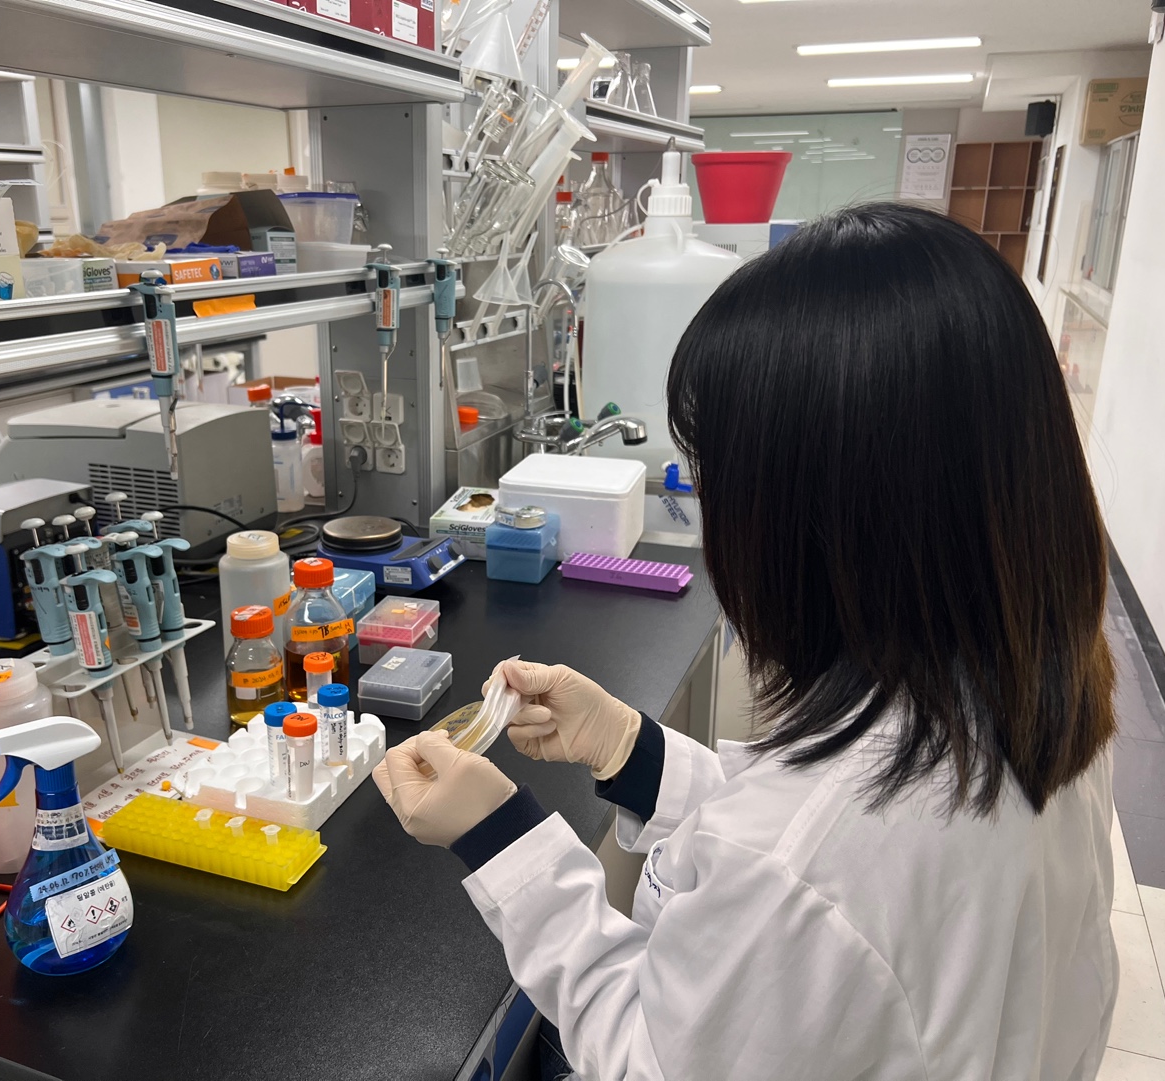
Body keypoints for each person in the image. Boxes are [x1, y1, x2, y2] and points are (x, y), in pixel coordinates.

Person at [374, 202, 1118, 1080]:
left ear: (821, 515)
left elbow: (654, 1050)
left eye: (721, 479)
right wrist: (631, 749)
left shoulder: (813, 861)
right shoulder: (1025, 694)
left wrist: (500, 836)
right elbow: (807, 832)